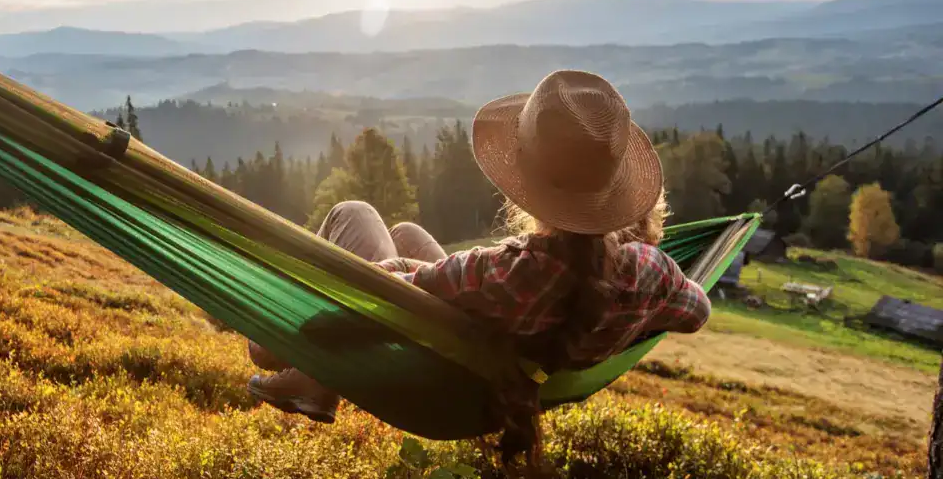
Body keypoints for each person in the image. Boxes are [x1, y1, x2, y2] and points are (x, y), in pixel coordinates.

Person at [245, 69, 711, 428]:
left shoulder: (497, 275)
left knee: (354, 213)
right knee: (406, 230)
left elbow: (380, 299)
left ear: (524, 180)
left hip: (441, 369)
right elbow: (696, 312)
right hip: (500, 360)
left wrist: (275, 331)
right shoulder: (652, 273)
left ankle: (316, 378)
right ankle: (318, 382)